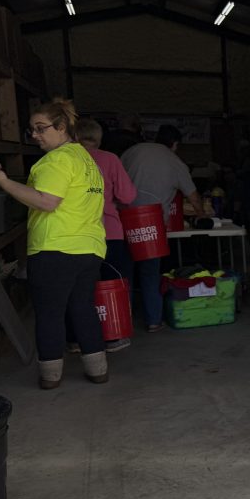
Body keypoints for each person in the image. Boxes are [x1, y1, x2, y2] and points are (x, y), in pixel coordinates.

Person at [0, 98, 108, 389]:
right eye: (32, 130)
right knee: (83, 309)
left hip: (55, 248)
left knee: (50, 313)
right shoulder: (85, 159)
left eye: (41, 128)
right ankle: (98, 369)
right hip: (89, 247)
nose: (35, 135)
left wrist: (4, 182)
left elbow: (47, 201)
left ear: (62, 126)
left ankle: (50, 375)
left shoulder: (56, 160)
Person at [121, 125, 205, 332]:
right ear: (174, 144)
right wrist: (202, 215)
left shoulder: (132, 151)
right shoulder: (174, 161)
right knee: (150, 273)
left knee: (125, 275)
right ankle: (153, 321)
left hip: (124, 218)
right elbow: (193, 196)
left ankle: (123, 323)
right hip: (152, 221)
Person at [73, 117, 137, 352]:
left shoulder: (65, 159)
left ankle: (76, 339)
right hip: (109, 232)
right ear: (99, 138)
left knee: (80, 288)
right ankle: (114, 336)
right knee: (114, 283)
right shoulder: (109, 159)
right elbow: (128, 196)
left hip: (76, 235)